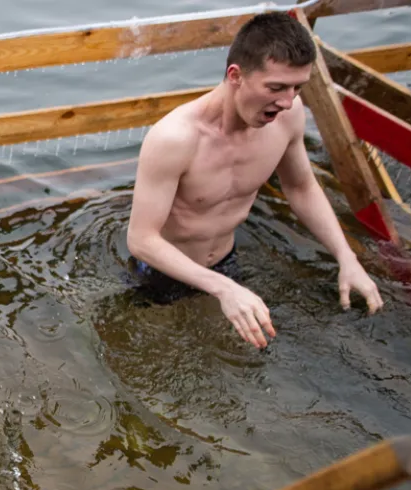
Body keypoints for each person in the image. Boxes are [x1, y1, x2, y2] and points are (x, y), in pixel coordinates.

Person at [125, 12, 383, 349]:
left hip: (225, 263)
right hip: (163, 272)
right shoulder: (175, 139)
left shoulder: (288, 117)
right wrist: (222, 289)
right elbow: (142, 238)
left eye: (296, 87)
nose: (287, 101)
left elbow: (301, 187)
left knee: (235, 354)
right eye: (276, 87)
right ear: (236, 75)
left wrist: (347, 258)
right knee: (153, 357)